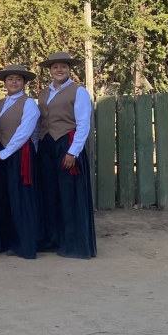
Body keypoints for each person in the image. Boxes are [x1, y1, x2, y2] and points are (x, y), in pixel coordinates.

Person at [36, 52, 97, 259]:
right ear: (50, 70)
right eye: (55, 67)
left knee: (69, 196)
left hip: (67, 146)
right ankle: (54, 239)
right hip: (47, 146)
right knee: (50, 194)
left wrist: (73, 152)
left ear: (69, 69)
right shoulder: (44, 92)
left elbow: (83, 125)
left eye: (63, 66)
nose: (59, 70)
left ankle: (73, 244)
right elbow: (41, 123)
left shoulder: (78, 92)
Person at [0, 65, 41, 260]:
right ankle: (5, 241)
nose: (14, 82)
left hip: (19, 154)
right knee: (2, 197)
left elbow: (24, 132)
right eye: (10, 79)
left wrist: (4, 153)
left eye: (18, 79)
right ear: (5, 82)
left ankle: (24, 244)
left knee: (21, 199)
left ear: (24, 83)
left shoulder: (29, 104)